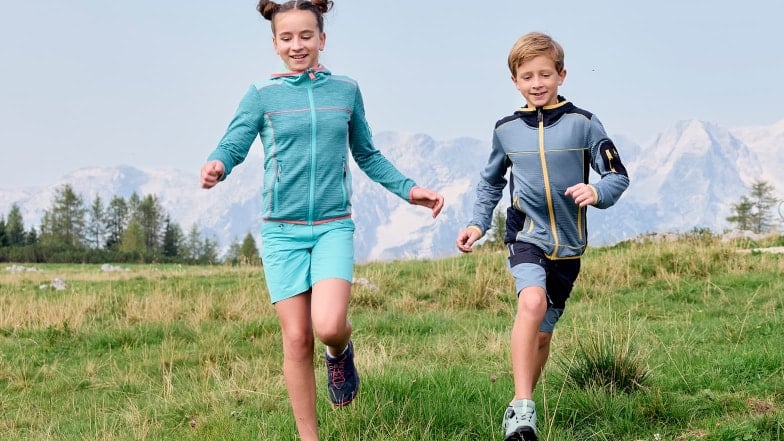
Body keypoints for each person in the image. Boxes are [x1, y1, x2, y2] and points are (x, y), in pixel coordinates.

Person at [200, 1, 445, 439]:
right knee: (296, 339)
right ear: (275, 44)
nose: (298, 45)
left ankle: (339, 352)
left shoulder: (346, 90)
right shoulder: (262, 95)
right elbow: (235, 139)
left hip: (333, 225)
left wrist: (410, 190)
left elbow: (366, 153)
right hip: (281, 231)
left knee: (328, 325)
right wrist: (219, 163)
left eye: (306, 36)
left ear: (322, 39)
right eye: (287, 38)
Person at [455, 32, 629, 441]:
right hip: (525, 235)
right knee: (530, 302)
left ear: (561, 75)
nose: (537, 83)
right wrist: (479, 225)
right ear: (515, 80)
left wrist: (596, 191)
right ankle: (522, 409)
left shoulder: (584, 123)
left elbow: (617, 175)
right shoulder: (506, 130)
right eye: (527, 75)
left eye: (545, 74)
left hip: (568, 247)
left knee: (544, 335)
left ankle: (518, 411)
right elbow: (490, 183)